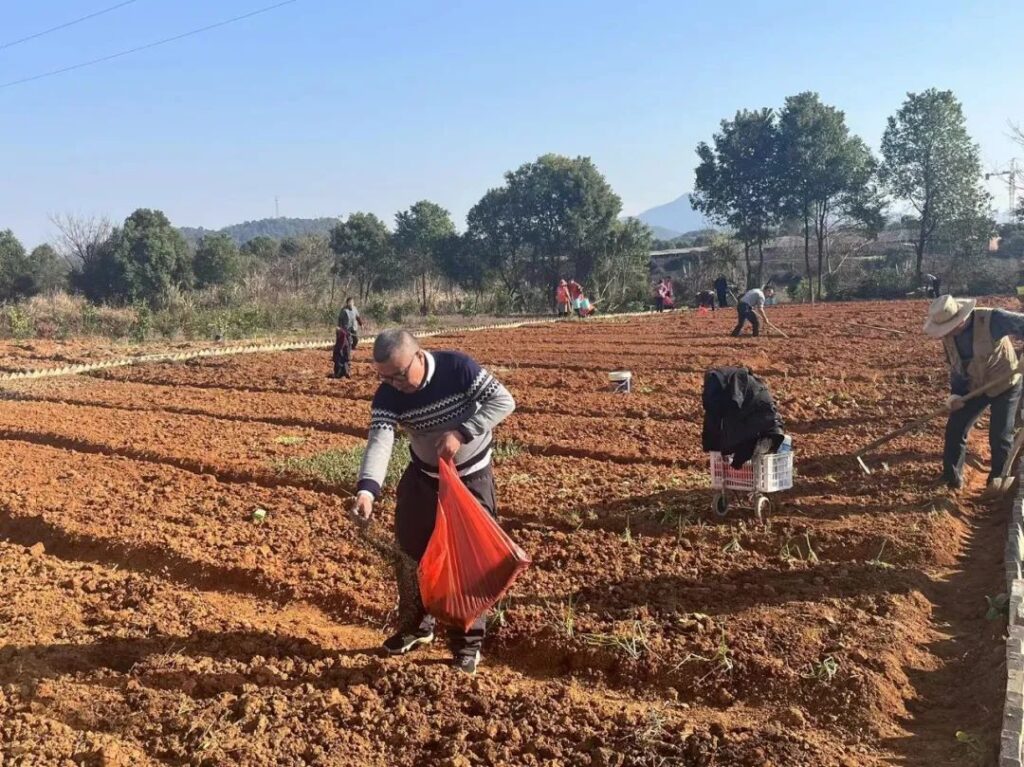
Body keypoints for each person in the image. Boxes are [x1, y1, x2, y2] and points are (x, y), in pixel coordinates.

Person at [351, 329, 516, 674]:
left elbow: (504, 401)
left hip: (470, 477)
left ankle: (466, 645)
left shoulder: (457, 368)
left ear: (418, 355)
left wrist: (462, 432)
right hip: (424, 477)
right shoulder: (389, 394)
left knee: (466, 561)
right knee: (410, 552)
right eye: (385, 377)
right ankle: (416, 626)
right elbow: (380, 441)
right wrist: (367, 489)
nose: (394, 383)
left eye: (398, 374)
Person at [923, 295, 1024, 493]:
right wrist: (956, 395)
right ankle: (951, 480)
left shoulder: (993, 319)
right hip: (974, 386)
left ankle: (998, 480)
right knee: (955, 427)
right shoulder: (948, 336)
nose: (947, 333)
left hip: (1005, 383)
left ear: (961, 319)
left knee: (1000, 433)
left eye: (950, 328)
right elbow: (957, 367)